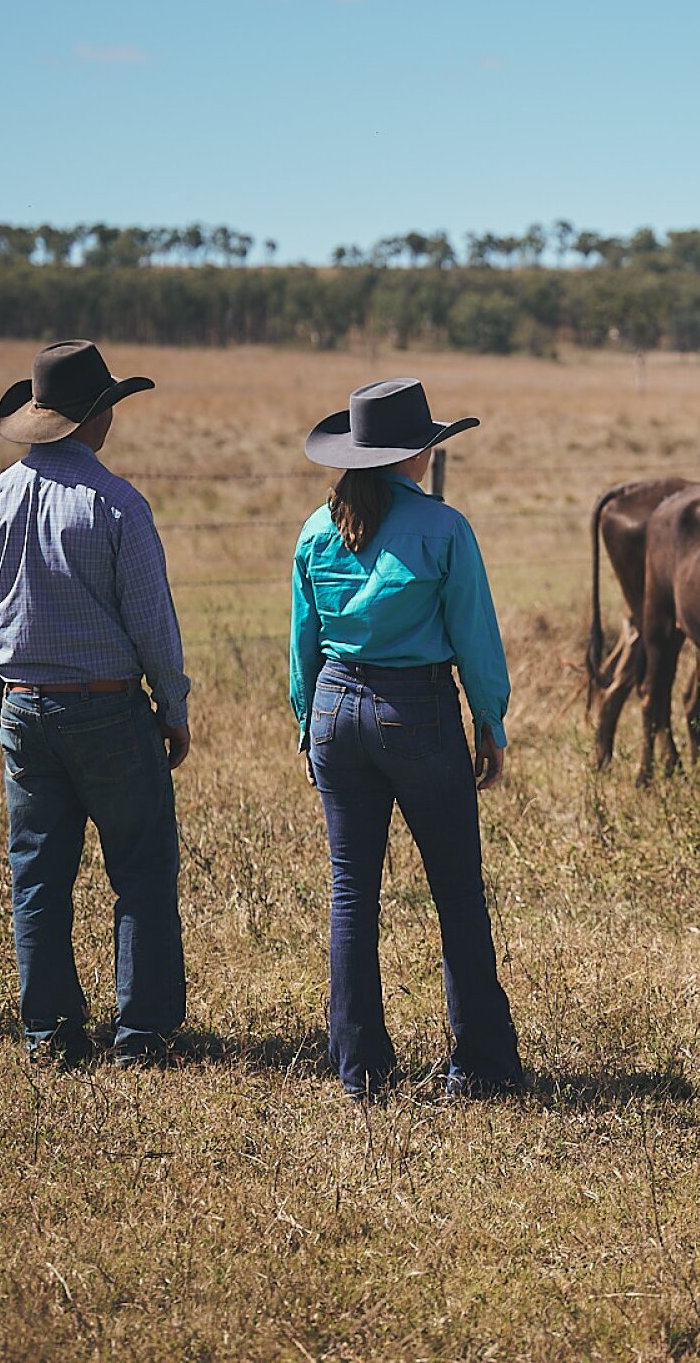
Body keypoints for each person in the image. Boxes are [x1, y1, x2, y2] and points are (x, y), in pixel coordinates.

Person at [0, 341, 190, 1067]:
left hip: (25, 705)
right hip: (109, 708)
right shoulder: (117, 504)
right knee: (141, 870)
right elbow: (152, 622)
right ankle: (142, 1033)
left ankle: (50, 1034)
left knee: (38, 874)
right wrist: (173, 707)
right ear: (99, 417)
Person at [289, 377, 524, 1098]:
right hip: (416, 712)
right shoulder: (444, 529)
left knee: (352, 891)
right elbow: (475, 638)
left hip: (335, 709)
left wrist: (307, 724)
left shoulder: (315, 528)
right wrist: (491, 720)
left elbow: (304, 643)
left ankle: (359, 1067)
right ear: (418, 455)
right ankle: (479, 1064)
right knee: (455, 889)